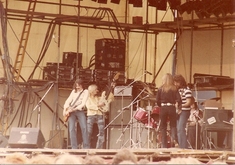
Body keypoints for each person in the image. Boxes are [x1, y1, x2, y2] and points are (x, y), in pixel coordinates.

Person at [156, 73, 182, 148]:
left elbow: (157, 100)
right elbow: (179, 100)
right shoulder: (174, 88)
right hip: (172, 107)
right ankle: (174, 141)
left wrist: (161, 105)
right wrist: (179, 107)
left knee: (163, 127)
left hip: (163, 108)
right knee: (173, 125)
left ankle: (164, 146)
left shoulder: (160, 88)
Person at [63, 78, 89, 149]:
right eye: (76, 85)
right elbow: (68, 101)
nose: (77, 87)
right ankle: (74, 147)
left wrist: (74, 109)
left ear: (82, 85)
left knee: (84, 127)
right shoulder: (73, 92)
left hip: (79, 110)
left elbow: (83, 103)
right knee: (71, 129)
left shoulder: (85, 92)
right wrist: (65, 110)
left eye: (79, 85)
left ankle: (86, 147)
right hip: (71, 111)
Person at [173, 74, 194, 149]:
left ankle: (184, 146)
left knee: (181, 128)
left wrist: (181, 106)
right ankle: (181, 146)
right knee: (178, 129)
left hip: (185, 111)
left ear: (180, 82)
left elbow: (189, 102)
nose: (175, 84)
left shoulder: (187, 90)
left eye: (176, 82)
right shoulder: (178, 91)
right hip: (179, 111)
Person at [86, 84, 108, 149]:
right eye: (96, 89)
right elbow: (89, 106)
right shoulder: (87, 98)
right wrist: (98, 106)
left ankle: (99, 148)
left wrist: (103, 96)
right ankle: (86, 148)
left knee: (101, 132)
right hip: (91, 115)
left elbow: (104, 103)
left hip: (99, 115)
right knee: (88, 132)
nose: (97, 91)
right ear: (92, 91)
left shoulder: (97, 98)